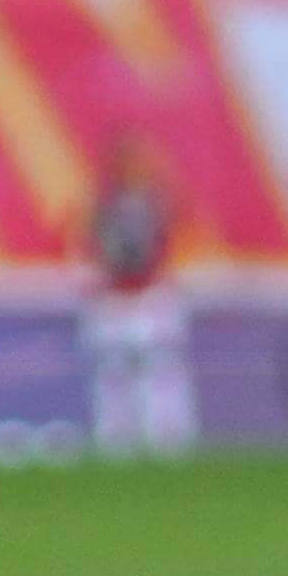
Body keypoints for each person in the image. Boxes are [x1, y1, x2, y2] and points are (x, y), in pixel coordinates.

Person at [80, 136, 195, 456]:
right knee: (114, 370)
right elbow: (92, 246)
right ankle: (117, 438)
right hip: (115, 295)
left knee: (162, 368)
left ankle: (169, 437)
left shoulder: (156, 203)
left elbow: (169, 244)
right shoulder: (104, 205)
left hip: (150, 293)